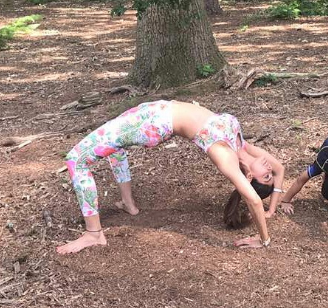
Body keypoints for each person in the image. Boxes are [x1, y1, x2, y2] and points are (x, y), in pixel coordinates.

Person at [56, 100, 285, 254]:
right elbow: (280, 168)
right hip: (154, 111)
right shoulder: (242, 146)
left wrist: (263, 239)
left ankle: (94, 233)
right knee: (115, 146)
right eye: (269, 175)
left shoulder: (226, 156)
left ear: (248, 176)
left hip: (152, 123)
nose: (269, 168)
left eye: (266, 176)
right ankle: (128, 203)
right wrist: (273, 206)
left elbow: (254, 200)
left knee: (76, 159)